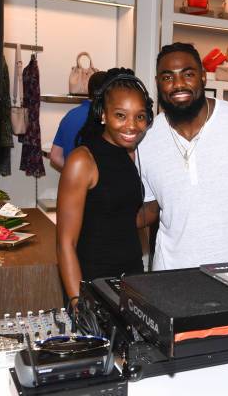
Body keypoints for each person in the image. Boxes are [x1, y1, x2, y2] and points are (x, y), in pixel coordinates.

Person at [137, 42, 228, 270]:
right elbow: (150, 209)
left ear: (203, 77)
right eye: (167, 77)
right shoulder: (145, 140)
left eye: (188, 74)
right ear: (157, 83)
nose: (178, 84)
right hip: (170, 277)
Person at [56, 68, 152, 300]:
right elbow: (65, 243)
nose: (132, 125)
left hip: (132, 280)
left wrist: (165, 203)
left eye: (139, 116)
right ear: (103, 115)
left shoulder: (130, 155)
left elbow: (127, 218)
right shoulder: (83, 160)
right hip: (94, 282)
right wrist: (79, 302)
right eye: (121, 115)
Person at [50, 71, 107, 171]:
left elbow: (55, 156)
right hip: (101, 185)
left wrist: (73, 173)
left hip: (72, 183)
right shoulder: (107, 118)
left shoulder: (70, 115)